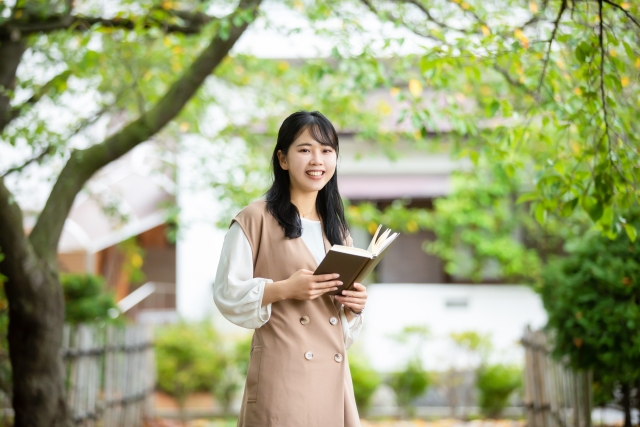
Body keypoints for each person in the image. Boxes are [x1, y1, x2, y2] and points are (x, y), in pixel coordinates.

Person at [213, 110, 368, 427]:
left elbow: (339, 328)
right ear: (283, 159)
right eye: (305, 149)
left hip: (333, 378)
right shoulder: (254, 218)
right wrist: (285, 288)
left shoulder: (338, 232)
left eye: (326, 150)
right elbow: (227, 293)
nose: (317, 160)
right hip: (283, 378)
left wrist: (353, 308)